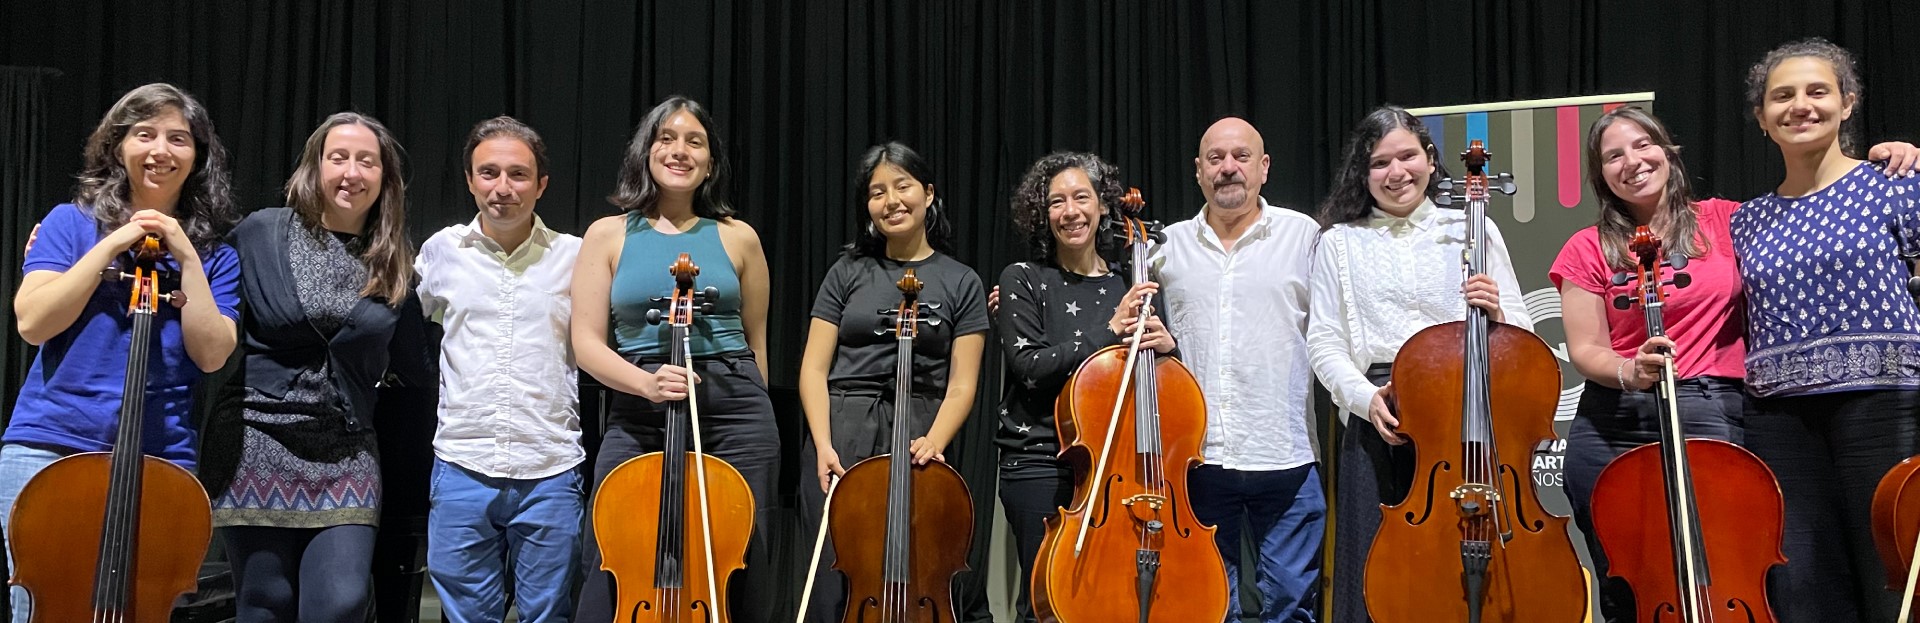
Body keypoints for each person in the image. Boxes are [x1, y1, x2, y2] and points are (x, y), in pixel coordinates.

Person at [1551, 104, 1917, 623]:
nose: (1632, 161)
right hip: (1614, 422)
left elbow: (1812, 210)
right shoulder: (1587, 248)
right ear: (1600, 174)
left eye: (1643, 145)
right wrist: (1631, 371)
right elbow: (1587, 349)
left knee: (1735, 567)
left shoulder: (1730, 218)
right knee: (1627, 582)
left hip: (1716, 410)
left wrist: (1880, 161)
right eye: (1613, 156)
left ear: (1668, 152)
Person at [1, 82, 241, 623]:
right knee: (40, 603)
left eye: (179, 138)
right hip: (50, 446)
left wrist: (187, 259)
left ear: (197, 156)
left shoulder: (215, 256)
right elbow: (34, 323)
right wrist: (112, 243)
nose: (161, 150)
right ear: (117, 146)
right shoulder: (69, 224)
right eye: (144, 134)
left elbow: (211, 355)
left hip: (159, 457)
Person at [1306, 106, 1531, 623]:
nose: (1396, 172)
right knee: (1376, 568)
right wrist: (1365, 400)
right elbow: (1324, 341)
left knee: (1467, 564)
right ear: (1364, 173)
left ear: (1430, 160)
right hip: (1381, 413)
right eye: (1380, 162)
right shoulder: (1338, 242)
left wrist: (1497, 312)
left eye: (1407, 156)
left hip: (1466, 411)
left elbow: (1523, 335)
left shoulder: (1473, 229)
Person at [1729, 38, 1920, 623]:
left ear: (1848, 102)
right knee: (1804, 586)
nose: (1800, 105)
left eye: (1818, 91)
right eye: (1781, 96)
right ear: (1762, 119)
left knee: (1893, 579)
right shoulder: (1745, 219)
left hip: (1885, 405)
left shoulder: (1896, 182)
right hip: (1780, 421)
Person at [210, 111, 428, 622]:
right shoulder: (261, 232)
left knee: (342, 601)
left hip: (346, 447)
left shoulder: (394, 260)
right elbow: (203, 279)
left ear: (384, 177)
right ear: (316, 167)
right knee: (266, 602)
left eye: (366, 161)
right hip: (255, 437)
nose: (351, 172)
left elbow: (417, 365)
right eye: (339, 158)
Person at [571, 96, 780, 623]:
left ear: (711, 161)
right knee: (611, 554)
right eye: (666, 138)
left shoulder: (739, 237)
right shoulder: (608, 234)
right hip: (641, 409)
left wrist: (753, 407)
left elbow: (757, 343)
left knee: (740, 559)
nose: (679, 151)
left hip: (736, 411)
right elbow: (587, 344)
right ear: (646, 151)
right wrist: (644, 385)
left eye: (695, 141)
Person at [1126, 117, 1324, 622]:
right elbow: (1139, 326)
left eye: (1241, 157)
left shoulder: (1305, 237)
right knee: (1209, 605)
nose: (1228, 169)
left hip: (1286, 455)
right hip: (1198, 458)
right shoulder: (1164, 247)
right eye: (1216, 158)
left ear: (1264, 168)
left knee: (1292, 607)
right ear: (1198, 171)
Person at [795, 142, 990, 622]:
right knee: (833, 575)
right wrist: (822, 443)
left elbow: (963, 384)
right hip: (842, 426)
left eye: (902, 186)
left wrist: (935, 442)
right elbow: (813, 369)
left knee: (916, 568)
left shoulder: (961, 281)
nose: (891, 201)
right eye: (877, 192)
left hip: (921, 431)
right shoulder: (847, 272)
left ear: (928, 193)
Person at [994, 151, 1177, 622]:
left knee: (1107, 600)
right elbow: (1030, 367)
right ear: (1042, 213)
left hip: (1115, 466)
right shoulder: (1024, 279)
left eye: (1081, 197)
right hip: (1038, 459)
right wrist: (1109, 331)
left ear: (1102, 208)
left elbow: (1162, 392)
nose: (1070, 211)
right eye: (1056, 202)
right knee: (1046, 603)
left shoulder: (1132, 282)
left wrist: (1168, 349)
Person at [415, 116, 584, 622]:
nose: (502, 188)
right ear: (469, 180)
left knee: (549, 615)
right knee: (466, 616)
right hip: (462, 463)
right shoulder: (439, 253)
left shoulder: (575, 257)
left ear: (542, 185)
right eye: (488, 173)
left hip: (550, 467)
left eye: (518, 174)